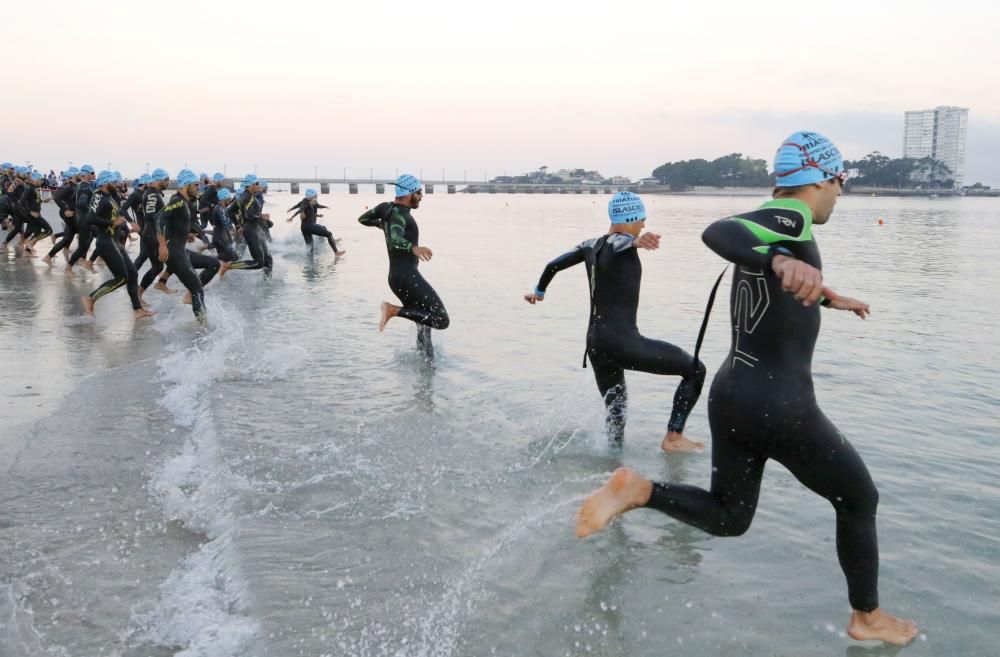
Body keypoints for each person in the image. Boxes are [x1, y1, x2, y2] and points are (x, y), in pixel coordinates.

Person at [575, 131, 918, 646]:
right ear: (823, 178)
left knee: (730, 516)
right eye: (841, 182)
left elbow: (765, 273)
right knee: (859, 499)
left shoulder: (771, 220)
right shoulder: (793, 216)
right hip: (781, 404)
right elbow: (717, 233)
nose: (841, 194)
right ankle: (866, 616)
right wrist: (781, 262)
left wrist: (826, 295)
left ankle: (639, 490)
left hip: (733, 392)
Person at [524, 191, 705, 450]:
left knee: (616, 419)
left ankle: (611, 466)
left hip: (596, 346)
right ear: (629, 218)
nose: (643, 224)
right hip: (624, 344)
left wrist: (539, 292)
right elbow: (622, 244)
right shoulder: (623, 242)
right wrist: (637, 242)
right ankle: (674, 437)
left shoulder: (589, 245)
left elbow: (553, 265)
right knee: (695, 370)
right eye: (641, 219)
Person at [358, 174, 448, 360]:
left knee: (423, 323)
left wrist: (380, 225)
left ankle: (426, 370)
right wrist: (413, 248)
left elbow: (363, 219)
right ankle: (392, 310)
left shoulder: (386, 208)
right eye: (419, 192)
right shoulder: (401, 214)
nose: (421, 196)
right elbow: (395, 240)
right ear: (408, 194)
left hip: (397, 278)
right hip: (407, 276)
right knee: (441, 320)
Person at [80, 171, 153, 319]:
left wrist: (128, 224)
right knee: (121, 278)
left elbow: (117, 215)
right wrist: (111, 222)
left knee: (132, 274)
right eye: (114, 182)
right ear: (106, 183)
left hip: (115, 241)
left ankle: (137, 310)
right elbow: (90, 218)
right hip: (105, 241)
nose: (118, 185)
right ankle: (90, 298)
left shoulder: (110, 196)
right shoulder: (99, 196)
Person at [157, 169, 220, 323]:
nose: (198, 187)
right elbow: (159, 219)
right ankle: (202, 326)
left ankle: (192, 294)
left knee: (214, 264)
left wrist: (188, 233)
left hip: (181, 251)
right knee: (198, 290)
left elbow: (178, 223)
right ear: (187, 184)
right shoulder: (177, 200)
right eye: (196, 184)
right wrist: (162, 245)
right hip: (174, 252)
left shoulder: (185, 202)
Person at [287, 188, 345, 255]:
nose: (316, 197)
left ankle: (308, 263)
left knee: (310, 248)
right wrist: (292, 217)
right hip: (309, 226)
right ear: (311, 196)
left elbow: (299, 207)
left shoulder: (308, 202)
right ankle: (336, 252)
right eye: (315, 195)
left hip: (304, 228)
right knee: (329, 234)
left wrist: (321, 212)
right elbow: (300, 209)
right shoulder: (305, 202)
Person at [43, 168, 81, 265]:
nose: (80, 175)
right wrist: (65, 209)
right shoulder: (69, 186)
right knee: (72, 235)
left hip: (73, 214)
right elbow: (57, 197)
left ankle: (52, 254)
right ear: (73, 176)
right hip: (70, 214)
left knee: (70, 235)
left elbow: (57, 195)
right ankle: (50, 255)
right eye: (78, 174)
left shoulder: (74, 186)